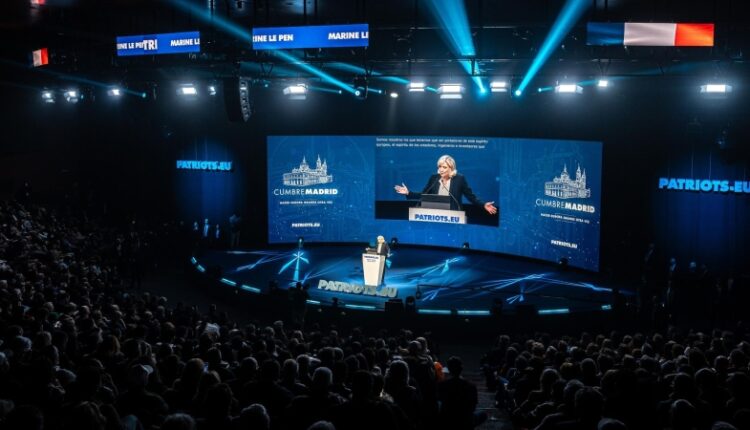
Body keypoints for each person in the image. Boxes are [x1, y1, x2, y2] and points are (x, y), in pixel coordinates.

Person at [394, 154, 497, 214]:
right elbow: (424, 195)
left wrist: (483, 204)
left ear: (451, 168)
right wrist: (408, 193)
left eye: (444, 167)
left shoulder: (459, 179)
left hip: (454, 214)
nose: (441, 170)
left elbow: (471, 197)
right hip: (435, 214)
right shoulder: (434, 178)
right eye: (439, 167)